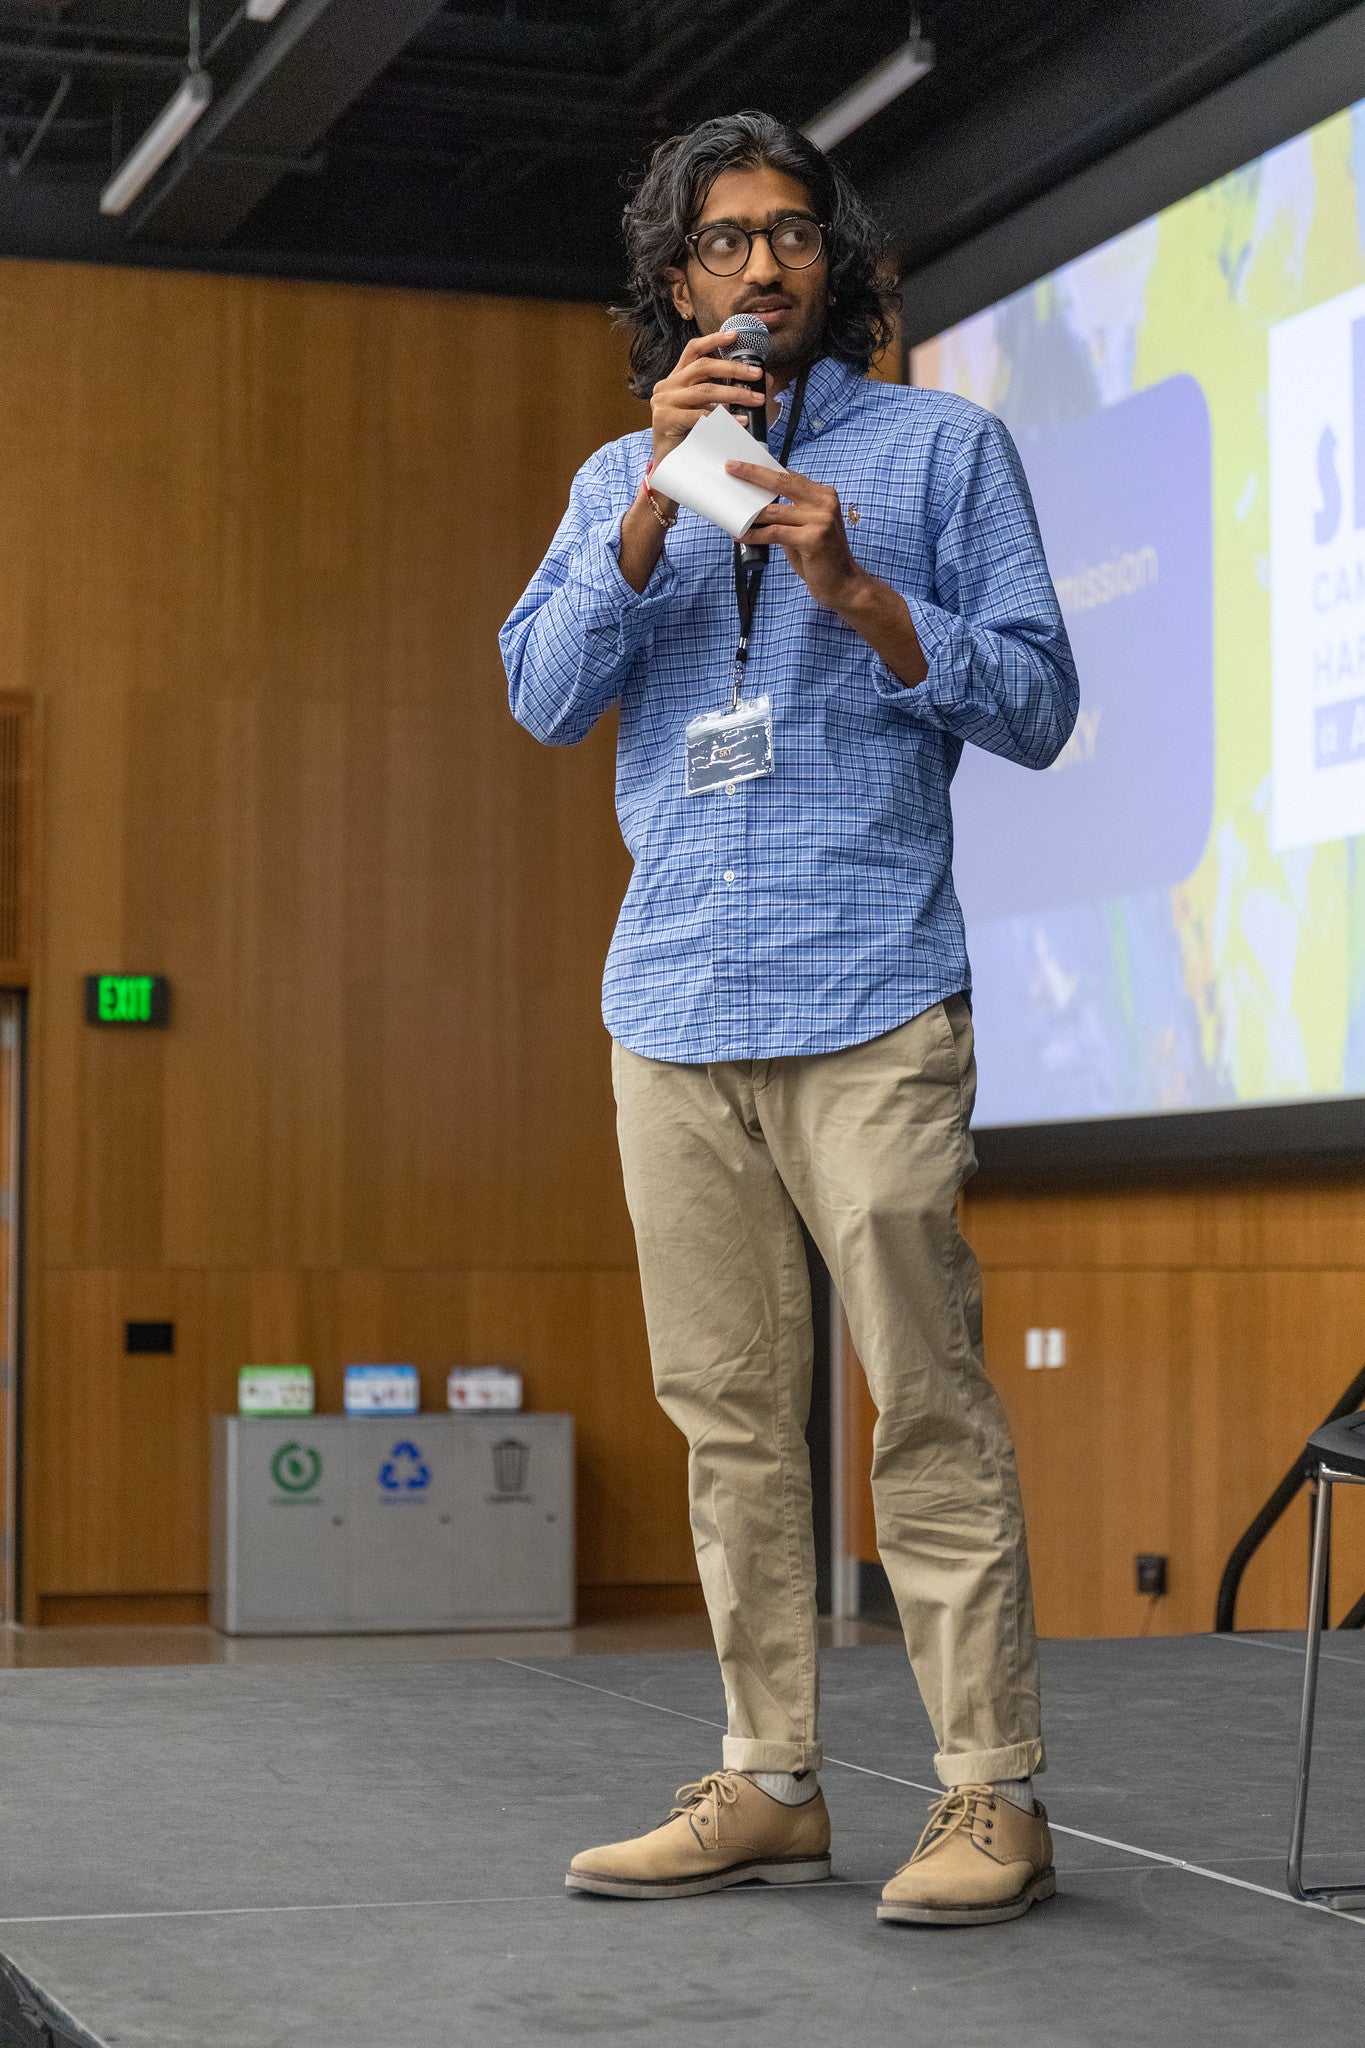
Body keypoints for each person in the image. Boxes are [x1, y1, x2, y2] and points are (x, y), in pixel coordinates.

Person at [500, 110, 1078, 1929]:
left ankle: (990, 1795)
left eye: (794, 236)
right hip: (670, 1005)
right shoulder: (618, 477)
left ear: (839, 266)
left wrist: (860, 592)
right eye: (726, 240)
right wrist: (659, 504)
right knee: (732, 1421)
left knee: (924, 1401)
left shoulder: (941, 450)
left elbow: (1041, 703)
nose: (764, 265)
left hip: (872, 993)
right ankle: (768, 1782)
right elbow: (536, 695)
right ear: (673, 280)